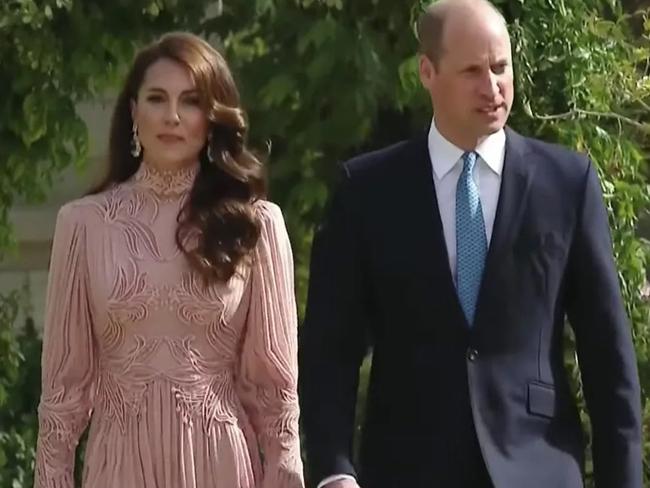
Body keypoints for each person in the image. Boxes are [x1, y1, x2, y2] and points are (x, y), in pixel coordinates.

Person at [299, 1, 642, 487]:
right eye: (472, 71)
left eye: (501, 67)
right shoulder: (367, 191)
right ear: (427, 71)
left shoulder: (566, 183)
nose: (493, 87)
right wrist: (333, 468)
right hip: (406, 469)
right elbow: (329, 351)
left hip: (537, 468)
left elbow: (608, 357)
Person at [34, 32, 304, 488]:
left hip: (221, 463)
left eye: (192, 102)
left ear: (212, 118)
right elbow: (64, 388)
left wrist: (286, 472)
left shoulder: (255, 224)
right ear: (134, 114)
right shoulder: (83, 224)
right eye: (157, 99)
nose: (173, 117)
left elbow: (275, 390)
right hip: (118, 464)